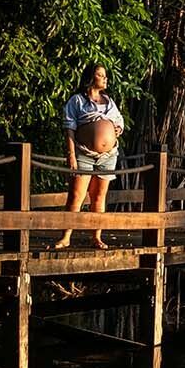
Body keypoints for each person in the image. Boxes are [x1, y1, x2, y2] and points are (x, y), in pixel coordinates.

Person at [56, 63, 124, 250]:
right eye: (101, 75)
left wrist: (118, 128)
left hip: (108, 155)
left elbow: (119, 121)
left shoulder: (109, 101)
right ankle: (66, 237)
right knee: (76, 195)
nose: (105, 78)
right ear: (90, 78)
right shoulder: (77, 101)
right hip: (83, 153)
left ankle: (96, 237)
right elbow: (69, 130)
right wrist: (71, 154)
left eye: (105, 75)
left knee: (99, 196)